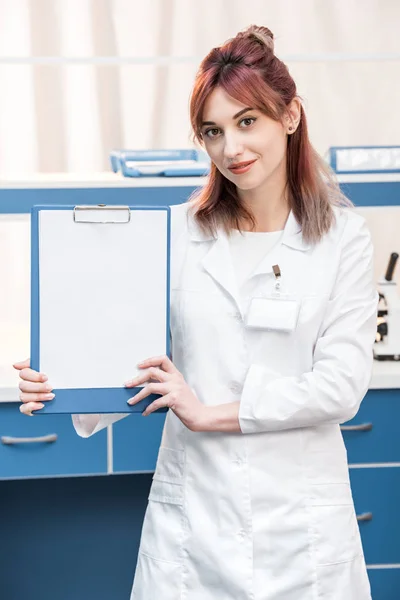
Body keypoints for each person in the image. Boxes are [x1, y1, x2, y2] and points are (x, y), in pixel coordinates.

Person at [15, 24, 378, 600]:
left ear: (290, 116)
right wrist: (60, 382)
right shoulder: (176, 235)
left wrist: (208, 413)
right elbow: (129, 352)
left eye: (247, 121)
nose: (231, 148)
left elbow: (340, 386)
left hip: (303, 532)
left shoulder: (343, 239)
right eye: (213, 131)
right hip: (195, 533)